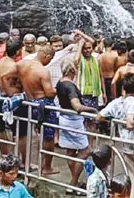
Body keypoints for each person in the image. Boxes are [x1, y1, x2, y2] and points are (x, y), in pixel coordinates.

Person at [97, 74, 134, 198]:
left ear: (123, 88)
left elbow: (99, 116)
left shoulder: (117, 102)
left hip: (124, 142)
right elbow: (130, 123)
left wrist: (113, 119)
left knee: (132, 173)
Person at [57, 57, 98, 194]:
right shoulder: (70, 86)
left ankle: (74, 181)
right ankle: (73, 182)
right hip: (73, 121)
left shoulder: (60, 82)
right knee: (85, 151)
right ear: (71, 70)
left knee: (70, 151)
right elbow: (77, 106)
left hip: (64, 118)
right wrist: (92, 110)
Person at [18, 45, 58, 175]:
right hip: (43, 104)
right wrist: (56, 90)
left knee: (36, 133)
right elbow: (49, 93)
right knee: (49, 137)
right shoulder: (43, 71)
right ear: (47, 56)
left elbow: (7, 75)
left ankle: (28, 161)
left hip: (30, 102)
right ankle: (47, 167)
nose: (50, 61)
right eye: (50, 59)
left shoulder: (23, 65)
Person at [98, 38, 119, 104]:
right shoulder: (115, 55)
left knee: (105, 98)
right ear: (112, 45)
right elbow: (116, 68)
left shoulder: (100, 56)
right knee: (113, 99)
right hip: (112, 78)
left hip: (103, 80)